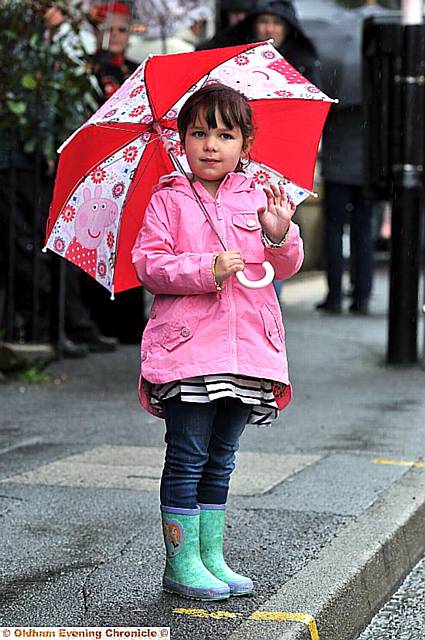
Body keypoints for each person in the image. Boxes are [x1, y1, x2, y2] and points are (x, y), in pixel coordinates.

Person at [131, 84, 303, 600]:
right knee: (188, 455)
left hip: (247, 349)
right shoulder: (169, 200)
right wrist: (204, 268)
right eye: (198, 133)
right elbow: (150, 265)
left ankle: (210, 556)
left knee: (222, 458)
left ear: (244, 144)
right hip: (188, 352)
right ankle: (181, 564)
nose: (210, 145)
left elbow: (285, 266)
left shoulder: (258, 196)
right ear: (181, 140)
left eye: (224, 135)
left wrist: (278, 234)